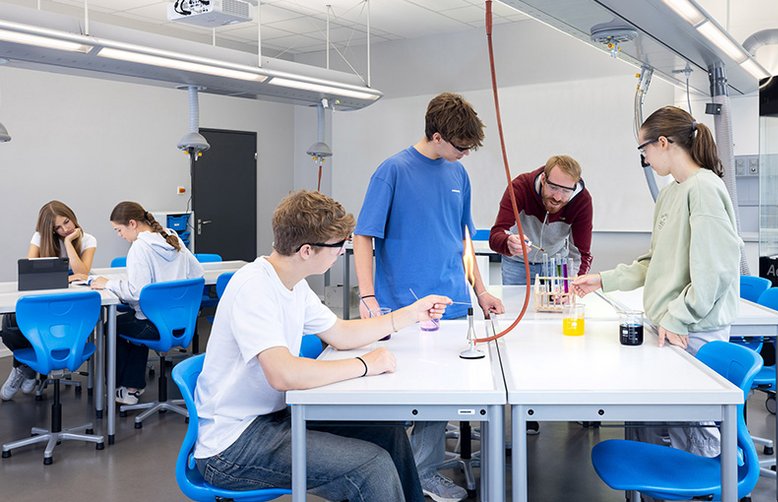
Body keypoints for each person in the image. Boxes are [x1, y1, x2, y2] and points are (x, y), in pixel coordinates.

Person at [194, 190, 449, 502]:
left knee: (389, 435)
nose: (343, 252)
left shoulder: (292, 283)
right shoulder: (254, 288)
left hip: (274, 417)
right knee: (373, 466)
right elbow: (283, 375)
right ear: (306, 250)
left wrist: (409, 315)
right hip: (233, 444)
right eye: (338, 245)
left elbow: (340, 333)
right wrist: (367, 365)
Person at [572, 106, 742, 481]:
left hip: (693, 329)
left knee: (693, 433)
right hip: (667, 325)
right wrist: (603, 280)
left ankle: (703, 489)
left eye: (644, 149)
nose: (645, 158)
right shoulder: (671, 194)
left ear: (663, 143)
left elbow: (714, 272)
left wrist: (678, 317)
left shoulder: (705, 189)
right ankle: (653, 488)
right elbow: (654, 262)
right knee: (653, 420)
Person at [354, 92, 505, 502]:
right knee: (406, 395)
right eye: (461, 146)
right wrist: (367, 296)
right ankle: (391, 474)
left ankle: (422, 473)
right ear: (437, 137)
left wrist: (481, 289)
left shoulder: (458, 175)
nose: (466, 153)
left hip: (453, 304)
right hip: (402, 307)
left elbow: (464, 240)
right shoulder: (393, 171)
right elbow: (363, 235)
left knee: (441, 396)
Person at [90, 201, 203, 405]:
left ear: (132, 223)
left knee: (111, 327)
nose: (119, 235)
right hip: (181, 323)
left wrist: (109, 283)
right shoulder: (172, 237)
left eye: (119, 230)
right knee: (133, 320)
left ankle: (122, 387)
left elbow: (136, 293)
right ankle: (131, 387)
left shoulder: (139, 248)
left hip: (153, 326)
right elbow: (197, 273)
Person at [1, 200, 97, 401]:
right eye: (58, 228)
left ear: (72, 215)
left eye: (66, 222)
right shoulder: (39, 238)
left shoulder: (88, 240)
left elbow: (82, 272)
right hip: (45, 301)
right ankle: (25, 368)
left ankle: (27, 369)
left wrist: (70, 243)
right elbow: (30, 274)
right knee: (9, 323)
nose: (64, 229)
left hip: (73, 306)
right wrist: (68, 278)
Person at [489, 155, 593, 285]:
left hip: (556, 264)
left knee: (559, 304)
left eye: (566, 191)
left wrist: (575, 282)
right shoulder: (520, 188)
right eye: (553, 187)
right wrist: (507, 243)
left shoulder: (582, 201)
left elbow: (581, 253)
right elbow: (496, 236)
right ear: (543, 179)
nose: (557, 197)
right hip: (517, 263)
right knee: (516, 305)